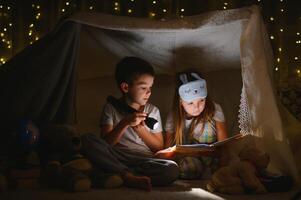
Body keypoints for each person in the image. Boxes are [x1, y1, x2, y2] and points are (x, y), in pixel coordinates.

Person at [81, 56, 179, 191]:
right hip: (117, 157)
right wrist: (125, 122)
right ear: (125, 87)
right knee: (87, 140)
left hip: (143, 160)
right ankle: (126, 175)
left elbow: (158, 147)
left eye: (150, 87)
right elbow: (106, 143)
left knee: (171, 169)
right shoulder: (111, 108)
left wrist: (141, 129)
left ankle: (121, 174)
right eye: (144, 87)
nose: (149, 92)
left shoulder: (152, 110)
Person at [156, 70, 228, 180]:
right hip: (190, 160)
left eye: (201, 101)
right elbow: (168, 146)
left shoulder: (214, 109)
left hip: (213, 159)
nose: (197, 107)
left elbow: (224, 145)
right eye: (190, 103)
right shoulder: (174, 116)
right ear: (181, 101)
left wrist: (224, 166)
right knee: (188, 168)